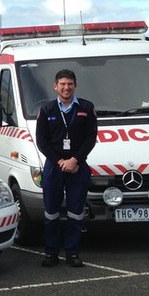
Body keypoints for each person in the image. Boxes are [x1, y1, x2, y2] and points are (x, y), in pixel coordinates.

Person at [35, 68, 98, 268]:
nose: (66, 87)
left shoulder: (87, 108)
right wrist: (59, 161)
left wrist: (75, 160)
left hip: (78, 166)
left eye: (70, 84)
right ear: (55, 87)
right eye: (62, 84)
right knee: (51, 212)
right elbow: (41, 141)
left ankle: (72, 253)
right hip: (54, 166)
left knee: (76, 212)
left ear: (75, 86)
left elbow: (90, 138)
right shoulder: (46, 110)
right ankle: (51, 253)